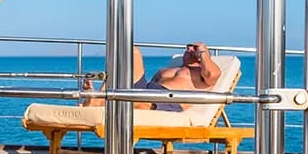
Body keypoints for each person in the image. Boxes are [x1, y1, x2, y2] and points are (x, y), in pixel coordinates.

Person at [86, 42, 223, 111]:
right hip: (148, 89)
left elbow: (213, 74)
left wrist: (203, 52)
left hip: (168, 98)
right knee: (132, 51)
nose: (189, 49)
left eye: (193, 48)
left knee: (139, 103)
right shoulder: (171, 69)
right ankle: (100, 96)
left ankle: (97, 102)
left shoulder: (202, 73)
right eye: (187, 47)